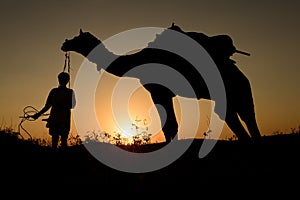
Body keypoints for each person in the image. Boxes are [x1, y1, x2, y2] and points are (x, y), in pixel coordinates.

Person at [32, 72, 76, 149]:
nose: (63, 80)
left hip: (64, 120)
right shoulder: (54, 91)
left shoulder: (69, 92)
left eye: (64, 79)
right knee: (55, 140)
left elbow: (73, 105)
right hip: (55, 119)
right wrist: (38, 114)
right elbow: (47, 106)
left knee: (63, 140)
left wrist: (62, 105)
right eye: (62, 79)